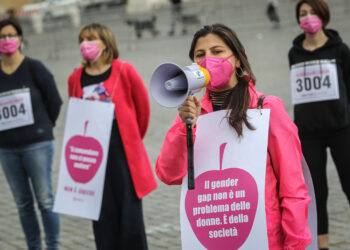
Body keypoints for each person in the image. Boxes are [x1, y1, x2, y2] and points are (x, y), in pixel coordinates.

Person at [156, 23, 312, 249]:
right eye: (200, 55)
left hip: (265, 240)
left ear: (237, 59)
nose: (208, 59)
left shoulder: (266, 108)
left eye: (217, 51)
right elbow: (167, 173)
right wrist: (184, 126)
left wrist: (295, 245)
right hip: (214, 236)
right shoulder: (193, 114)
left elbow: (293, 188)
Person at [68, 23, 157, 250]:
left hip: (124, 156)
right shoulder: (75, 78)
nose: (85, 45)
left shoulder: (124, 70)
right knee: (102, 218)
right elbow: (76, 117)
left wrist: (132, 139)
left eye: (91, 39)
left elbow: (143, 110)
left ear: (106, 43)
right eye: (82, 40)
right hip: (92, 159)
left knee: (131, 219)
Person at [288, 1, 350, 249]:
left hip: (341, 129)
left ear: (323, 16)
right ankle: (321, 243)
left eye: (313, 12)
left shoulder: (341, 50)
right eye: (303, 14)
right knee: (316, 192)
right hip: (308, 133)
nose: (308, 17)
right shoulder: (294, 53)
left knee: (349, 184)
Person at [0, 18, 62, 250]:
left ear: (20, 38)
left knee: (45, 200)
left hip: (37, 144)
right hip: (7, 149)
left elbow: (54, 100)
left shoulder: (34, 67)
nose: (6, 40)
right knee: (23, 204)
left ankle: (53, 245)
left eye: (10, 35)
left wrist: (44, 128)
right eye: (2, 37)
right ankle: (34, 246)